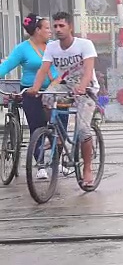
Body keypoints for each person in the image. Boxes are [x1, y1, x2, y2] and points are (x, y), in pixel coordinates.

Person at [28, 11, 99, 186]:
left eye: (62, 26)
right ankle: (56, 134)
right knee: (46, 98)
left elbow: (88, 70)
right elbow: (44, 69)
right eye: (55, 26)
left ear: (70, 27)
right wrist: (35, 88)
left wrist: (82, 87)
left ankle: (87, 169)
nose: (58, 29)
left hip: (86, 87)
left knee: (83, 130)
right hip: (64, 85)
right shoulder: (52, 47)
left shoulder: (84, 44)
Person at [0, 13, 69, 179]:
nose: (51, 31)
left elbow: (68, 63)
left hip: (55, 90)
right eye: (47, 28)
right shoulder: (22, 49)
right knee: (37, 126)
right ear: (37, 30)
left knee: (61, 125)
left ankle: (57, 160)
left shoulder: (54, 46)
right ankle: (40, 164)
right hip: (32, 91)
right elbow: (7, 66)